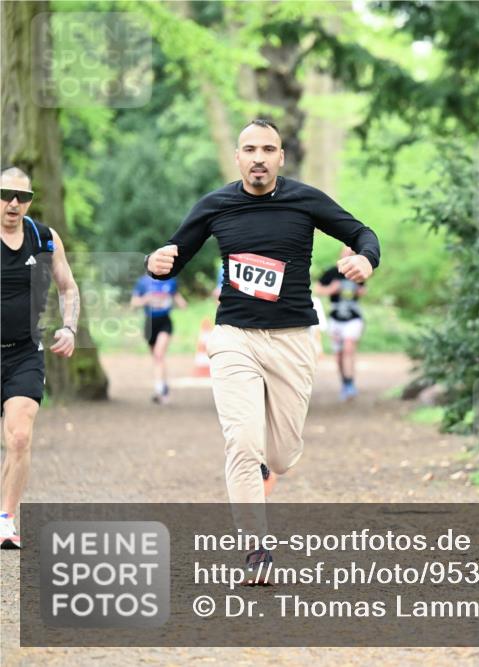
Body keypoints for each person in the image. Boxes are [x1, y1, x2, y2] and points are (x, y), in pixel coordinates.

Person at [144, 120, 379, 581]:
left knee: (283, 456)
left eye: (268, 149)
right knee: (242, 442)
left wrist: (365, 258)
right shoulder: (216, 205)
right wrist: (154, 263)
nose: (258, 157)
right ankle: (255, 550)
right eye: (249, 148)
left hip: (293, 340)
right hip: (234, 337)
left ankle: (265, 468)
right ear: (237, 157)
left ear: (280, 158)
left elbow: (362, 232)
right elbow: (173, 253)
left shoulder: (304, 200)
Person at [0, 167, 79, 549]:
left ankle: (6, 519)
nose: (14, 203)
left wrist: (69, 327)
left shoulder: (44, 239)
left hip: (23, 352)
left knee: (18, 436)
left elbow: (68, 287)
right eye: (6, 194)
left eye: (22, 197)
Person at [314, 246, 368, 400]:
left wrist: (359, 290)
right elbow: (318, 289)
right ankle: (345, 383)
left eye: (351, 253)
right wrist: (331, 289)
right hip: (336, 318)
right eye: (346, 253)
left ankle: (350, 384)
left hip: (353, 317)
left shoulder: (356, 272)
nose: (348, 255)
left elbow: (364, 289)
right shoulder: (332, 272)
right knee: (338, 355)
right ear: (341, 255)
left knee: (349, 347)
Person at [131, 273, 187, 404]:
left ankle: (159, 390)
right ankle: (163, 385)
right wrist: (146, 299)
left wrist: (182, 304)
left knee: (158, 354)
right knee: (157, 358)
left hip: (165, 323)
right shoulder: (143, 282)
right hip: (149, 324)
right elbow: (134, 302)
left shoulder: (171, 281)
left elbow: (177, 297)